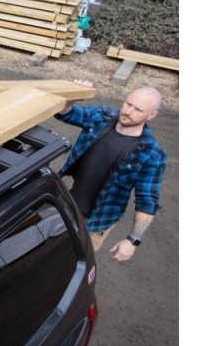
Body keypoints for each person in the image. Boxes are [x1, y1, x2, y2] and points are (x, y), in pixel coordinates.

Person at [55, 80, 168, 263]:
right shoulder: (101, 117)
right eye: (128, 104)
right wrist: (71, 98)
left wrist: (132, 240)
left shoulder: (152, 154)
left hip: (95, 224)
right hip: (66, 204)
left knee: (69, 265)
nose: (128, 111)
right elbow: (67, 114)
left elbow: (147, 201)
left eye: (138, 110)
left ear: (152, 115)